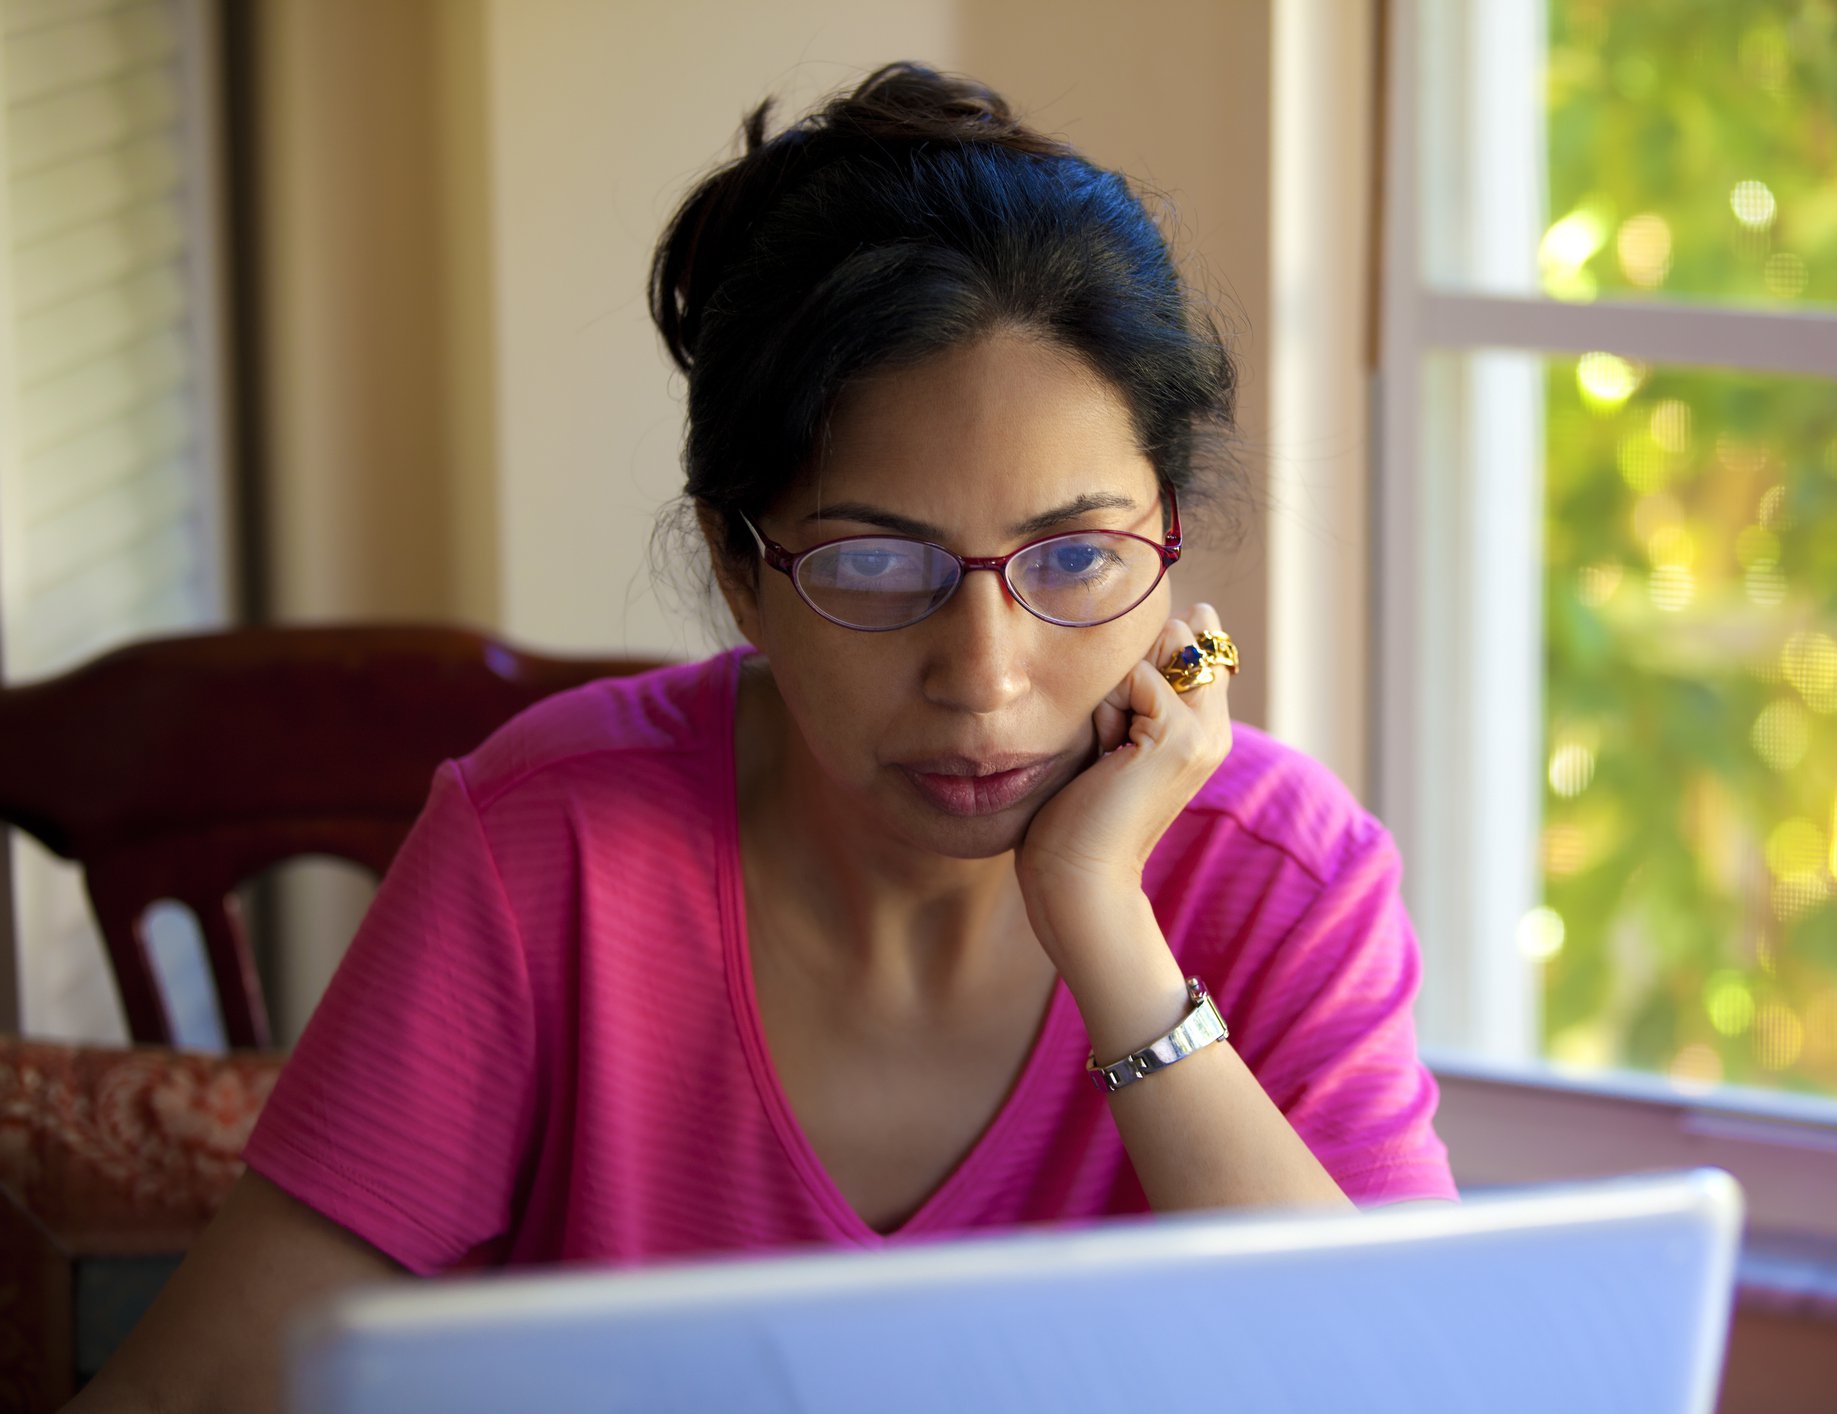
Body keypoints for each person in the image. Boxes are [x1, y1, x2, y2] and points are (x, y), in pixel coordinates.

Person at [69, 62, 1452, 1413]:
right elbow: (189, 1386)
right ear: (741, 574)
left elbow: (1402, 1394)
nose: (981, 676)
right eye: (871, 564)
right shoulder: (545, 847)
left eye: (1075, 557)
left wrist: (1104, 925)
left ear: (1168, 543)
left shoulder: (1287, 881)